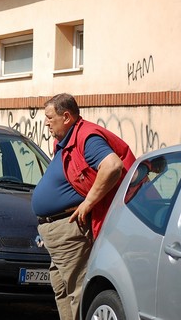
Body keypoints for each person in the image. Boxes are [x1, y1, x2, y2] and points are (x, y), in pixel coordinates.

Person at [31, 93, 135, 320]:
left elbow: (112, 166)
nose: (46, 122)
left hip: (69, 230)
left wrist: (88, 203)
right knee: (61, 289)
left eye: (50, 117)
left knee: (77, 290)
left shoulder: (87, 137)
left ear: (66, 116)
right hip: (55, 231)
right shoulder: (66, 139)